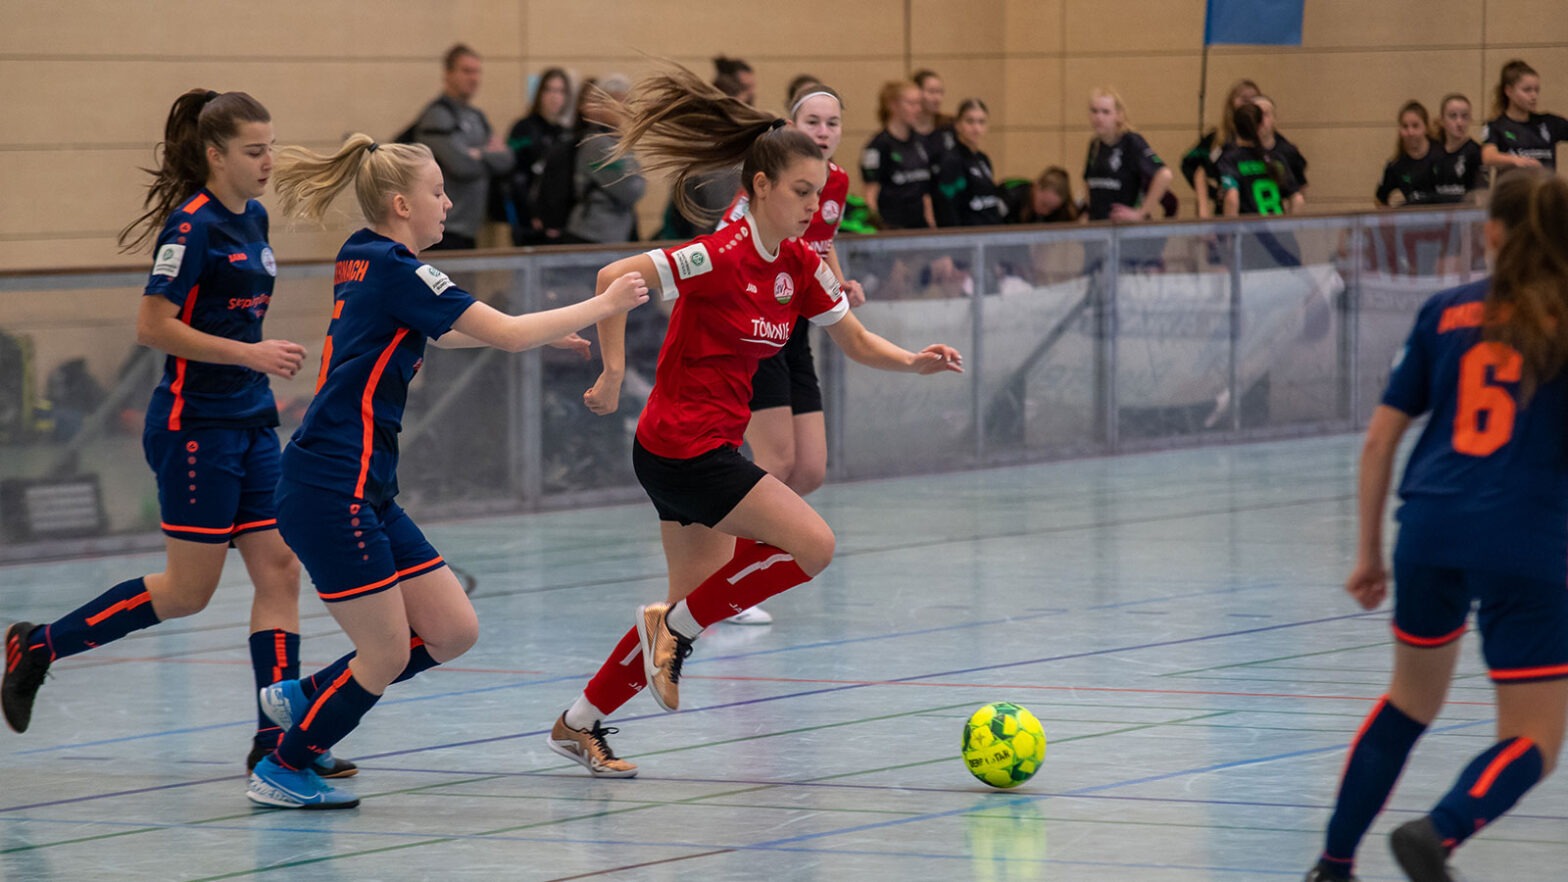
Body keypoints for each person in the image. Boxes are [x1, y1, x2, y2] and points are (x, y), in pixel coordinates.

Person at [544, 65, 963, 777]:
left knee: (691, 601)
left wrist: (912, 361)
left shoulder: (800, 264)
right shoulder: (720, 254)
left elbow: (854, 338)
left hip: (694, 448)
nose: (812, 205)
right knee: (813, 545)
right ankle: (671, 629)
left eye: (819, 192)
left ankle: (579, 721)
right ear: (761, 187)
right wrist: (611, 372)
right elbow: (614, 280)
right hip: (682, 446)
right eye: (801, 191)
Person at [242, 135, 649, 809]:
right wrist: (607, 305)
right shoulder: (400, 268)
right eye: (437, 191)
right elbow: (506, 332)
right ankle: (284, 765)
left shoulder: (362, 256)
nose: (449, 202)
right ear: (402, 204)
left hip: (362, 486)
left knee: (453, 630)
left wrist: (541, 329)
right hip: (329, 486)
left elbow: (460, 328)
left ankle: (308, 698)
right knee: (386, 653)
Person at [0, 88, 358, 778]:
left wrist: (259, 372)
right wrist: (251, 354)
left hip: (251, 421)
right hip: (195, 428)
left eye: (271, 147)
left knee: (280, 570)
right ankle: (38, 646)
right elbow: (153, 325)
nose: (268, 162)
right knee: (188, 591)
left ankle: (274, 741)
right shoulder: (190, 228)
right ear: (215, 155)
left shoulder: (253, 216)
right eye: (254, 151)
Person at [1303, 169, 1568, 882]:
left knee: (1408, 703)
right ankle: (1439, 831)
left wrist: (1368, 553)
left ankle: (1332, 866)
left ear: (1491, 233)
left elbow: (1379, 441)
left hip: (1430, 527)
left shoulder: (1445, 313)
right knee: (1535, 737)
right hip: (1529, 538)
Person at [713, 83, 869, 625]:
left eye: (832, 122)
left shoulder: (837, 183)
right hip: (759, 330)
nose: (822, 131)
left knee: (810, 469)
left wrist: (840, 282)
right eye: (812, 121)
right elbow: (729, 252)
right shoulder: (756, 196)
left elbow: (821, 244)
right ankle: (725, 585)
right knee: (774, 462)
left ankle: (727, 561)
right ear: (791, 127)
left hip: (799, 327)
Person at [410, 44, 514, 250]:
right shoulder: (437, 116)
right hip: (442, 231)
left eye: (477, 72)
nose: (474, 78)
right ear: (448, 74)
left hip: (470, 229)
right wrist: (486, 155)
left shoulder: (477, 117)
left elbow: (507, 159)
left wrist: (478, 154)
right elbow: (461, 165)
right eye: (466, 71)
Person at [1083, 87, 1173, 269]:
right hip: (1098, 236)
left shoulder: (1131, 142)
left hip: (1125, 238)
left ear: (1119, 115)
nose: (1098, 117)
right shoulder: (1094, 145)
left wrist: (1141, 213)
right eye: (1094, 111)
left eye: (1105, 112)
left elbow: (1164, 175)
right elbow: (1088, 182)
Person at [564, 74, 645, 245]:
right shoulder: (597, 144)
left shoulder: (616, 141)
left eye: (628, 103)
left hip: (613, 233)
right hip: (592, 233)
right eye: (619, 103)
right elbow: (630, 190)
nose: (625, 110)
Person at [504, 67, 571, 245]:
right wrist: (531, 214)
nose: (554, 96)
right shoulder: (524, 129)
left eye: (560, 91)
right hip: (528, 223)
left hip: (558, 226)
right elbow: (515, 176)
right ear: (540, 93)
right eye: (549, 89)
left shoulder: (566, 134)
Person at [861, 80, 935, 230]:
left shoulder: (920, 142)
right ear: (893, 105)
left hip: (920, 227)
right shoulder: (878, 146)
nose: (918, 109)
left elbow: (925, 193)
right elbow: (870, 194)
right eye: (911, 104)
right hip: (893, 228)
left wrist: (932, 226)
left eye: (919, 104)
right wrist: (878, 229)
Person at [1183, 78, 1260, 218]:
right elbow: (1194, 168)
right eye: (1243, 99)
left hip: (1261, 212)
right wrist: (1210, 198)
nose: (1248, 104)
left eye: (1253, 99)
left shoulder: (1265, 140)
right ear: (1232, 102)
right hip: (1228, 213)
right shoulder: (1219, 140)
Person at [1481, 59, 1568, 173]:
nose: (1533, 96)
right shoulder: (1496, 126)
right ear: (1509, 91)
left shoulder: (1549, 123)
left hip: (1545, 189)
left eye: (1536, 90)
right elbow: (1488, 157)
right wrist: (1516, 160)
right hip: (1514, 188)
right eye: (1527, 90)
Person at [1218, 103, 1301, 217]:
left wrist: (1229, 232)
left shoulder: (1231, 159)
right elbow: (1297, 198)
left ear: (1235, 126)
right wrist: (1289, 225)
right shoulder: (1276, 158)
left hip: (1251, 231)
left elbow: (1232, 197)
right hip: (1279, 231)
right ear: (1261, 125)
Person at [933, 98, 1006, 227]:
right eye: (970, 121)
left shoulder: (983, 159)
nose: (976, 128)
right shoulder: (952, 160)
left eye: (981, 122)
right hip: (968, 237)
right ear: (958, 125)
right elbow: (947, 209)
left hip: (989, 234)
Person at [1375, 101, 1445, 207]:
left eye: (1415, 126)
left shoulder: (1443, 155)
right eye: (1405, 127)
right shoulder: (1395, 166)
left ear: (1425, 127)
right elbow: (1380, 201)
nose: (1410, 132)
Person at [1253, 95, 1308, 202]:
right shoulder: (1237, 152)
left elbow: (1300, 188)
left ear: (1274, 118)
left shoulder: (1288, 152)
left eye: (1266, 114)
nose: (1261, 120)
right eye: (1256, 114)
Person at [1434, 94, 1484, 204]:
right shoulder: (1433, 152)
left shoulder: (1476, 152)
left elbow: (1481, 195)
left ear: (1470, 120)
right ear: (1442, 120)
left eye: (1465, 116)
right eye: (1453, 116)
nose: (1459, 122)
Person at [1003, 166, 1080, 225]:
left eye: (1052, 210)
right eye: (1044, 204)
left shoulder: (1063, 210)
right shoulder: (1011, 194)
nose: (1045, 212)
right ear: (1036, 187)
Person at [911, 68, 955, 162]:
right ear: (916, 93)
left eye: (940, 92)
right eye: (931, 92)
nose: (937, 98)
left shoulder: (950, 126)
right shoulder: (906, 131)